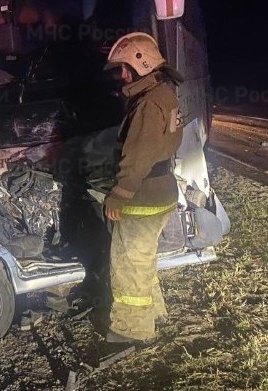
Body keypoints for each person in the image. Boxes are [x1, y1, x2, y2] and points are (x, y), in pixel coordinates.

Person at [99, 32, 184, 344]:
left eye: (126, 68)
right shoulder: (165, 93)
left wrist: (119, 195)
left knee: (128, 262)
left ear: (141, 65)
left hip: (143, 197)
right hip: (163, 190)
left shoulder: (147, 104)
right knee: (144, 257)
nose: (123, 75)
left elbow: (137, 157)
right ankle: (154, 312)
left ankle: (132, 329)